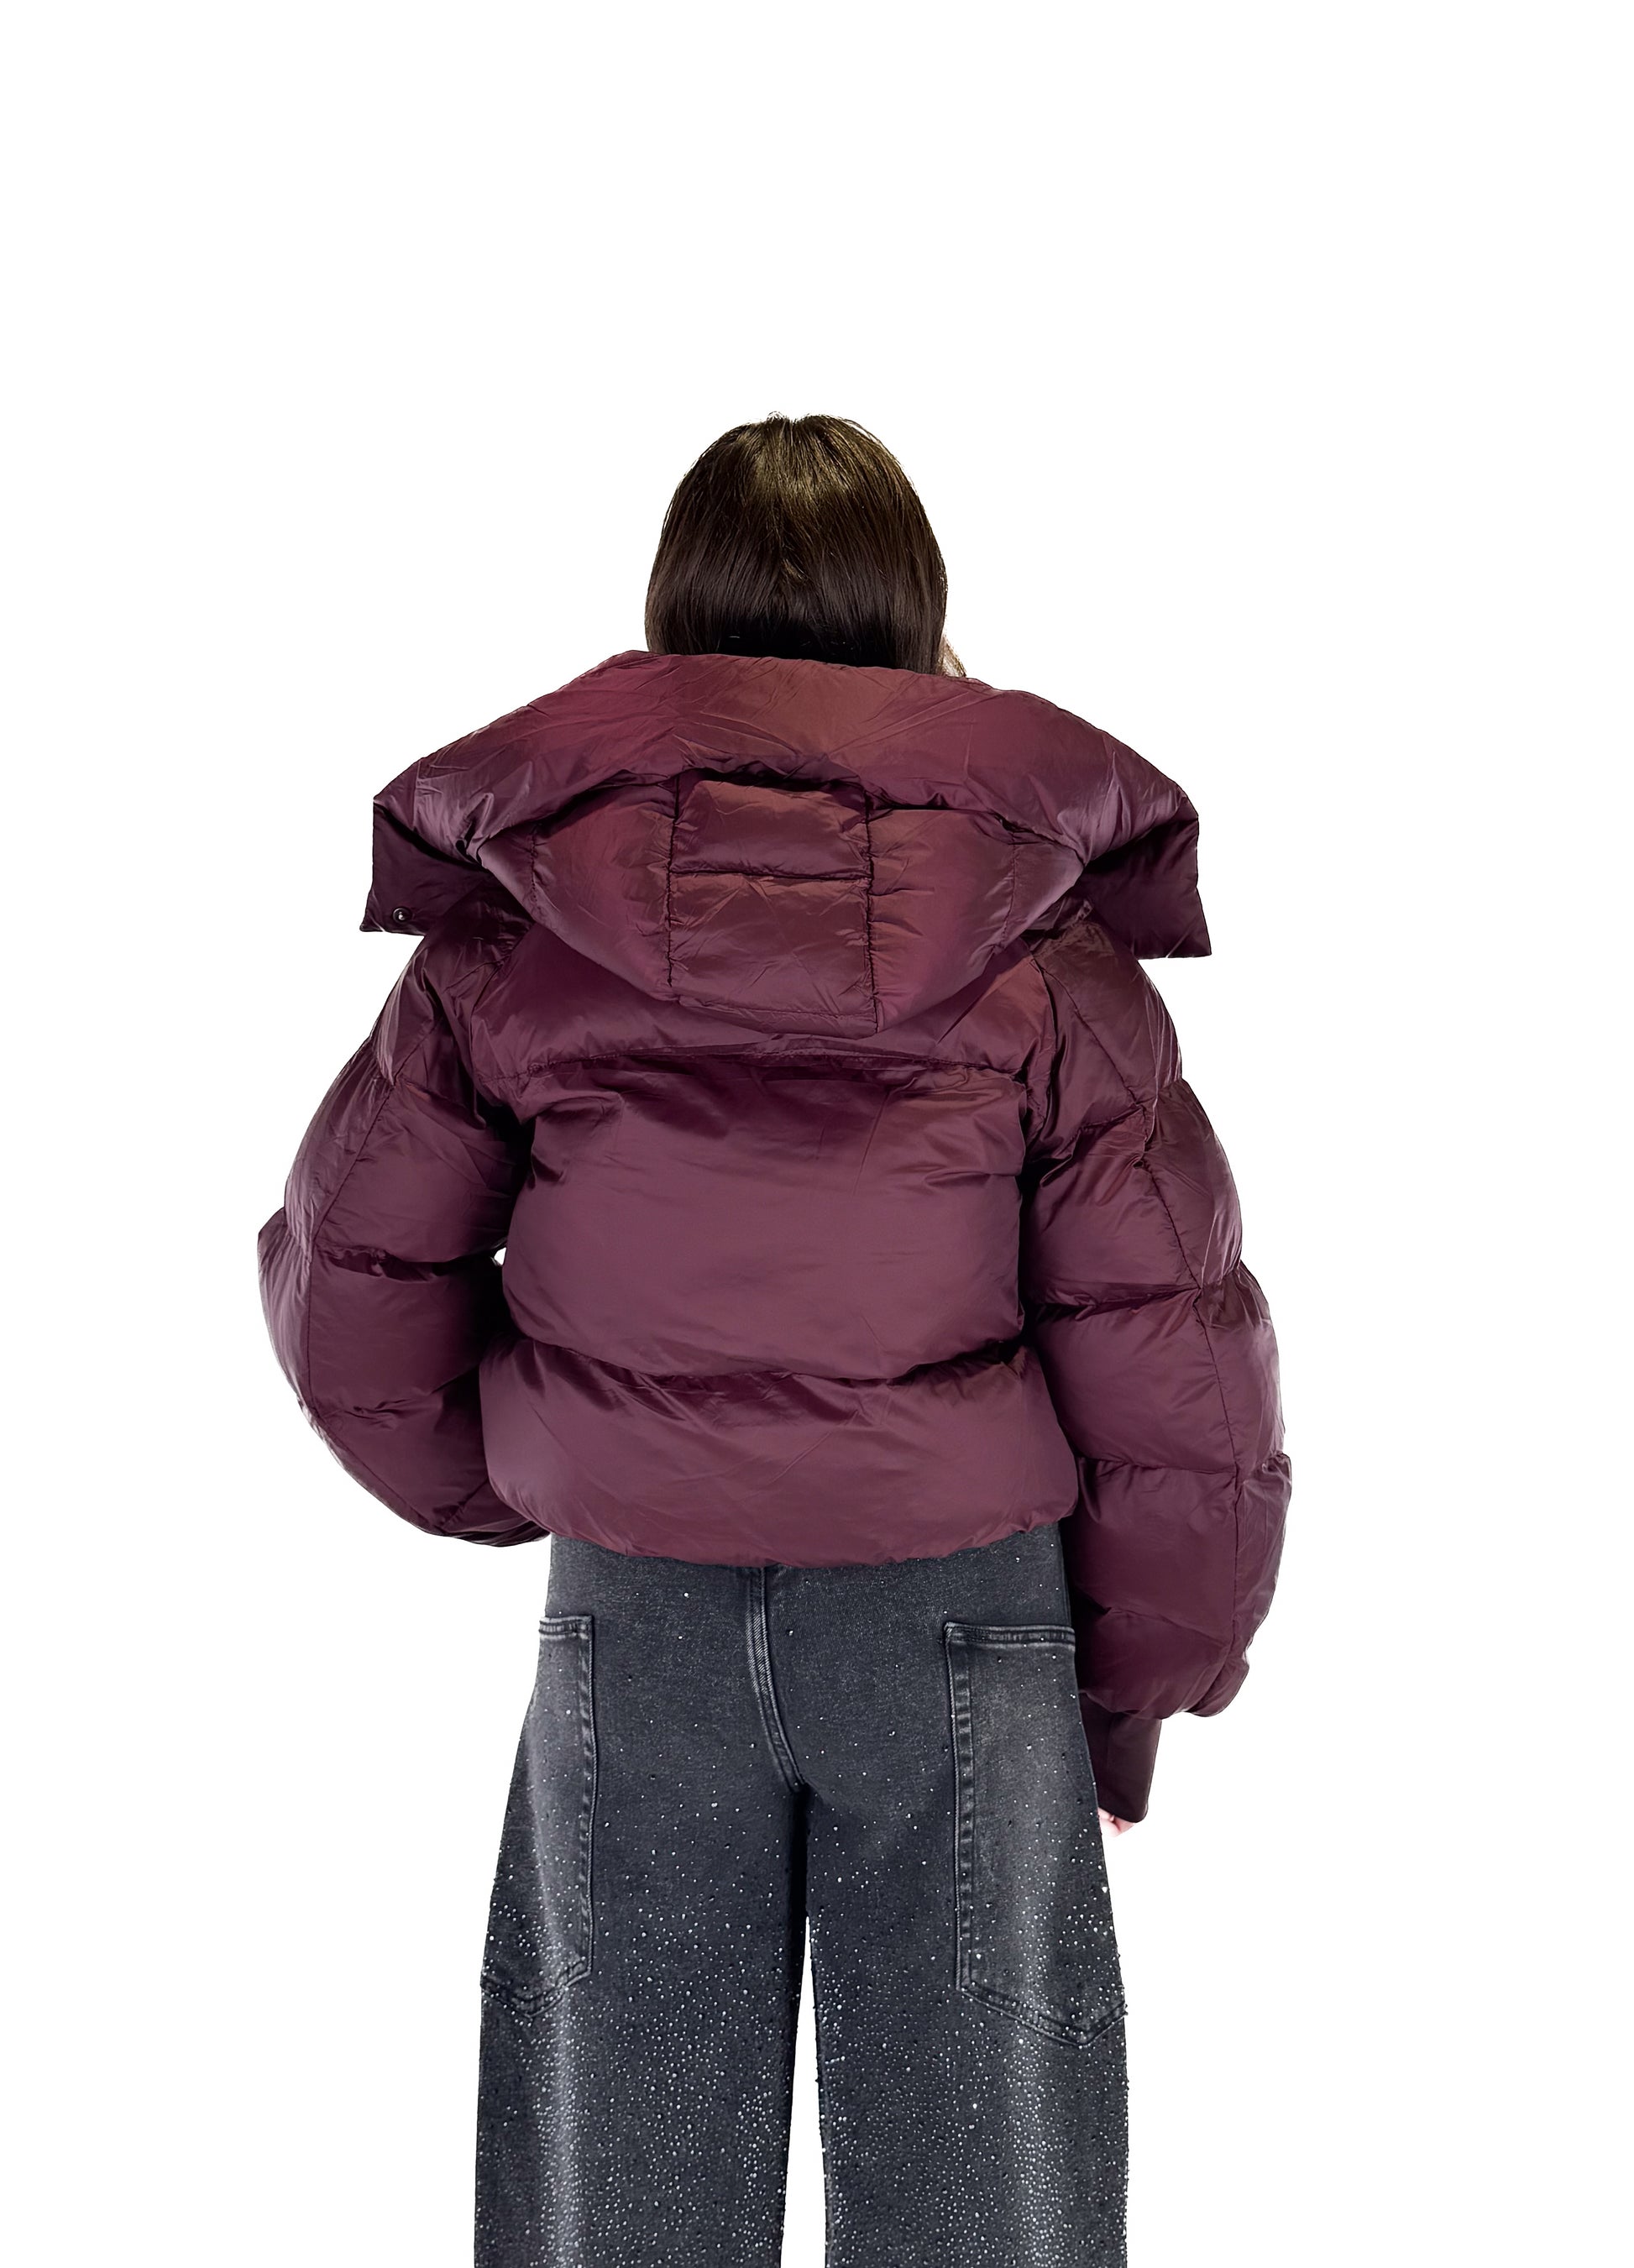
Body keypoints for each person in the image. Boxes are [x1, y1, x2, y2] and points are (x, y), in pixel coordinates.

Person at [259, 414, 1291, 2268]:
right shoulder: (1043, 951)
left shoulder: (513, 933)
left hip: (634, 1604)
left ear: (675, 611)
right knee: (989, 2199)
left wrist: (541, 1468)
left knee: (619, 2187)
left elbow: (352, 1283)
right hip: (959, 1615)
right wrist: (1135, 1693)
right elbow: (1175, 1371)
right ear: (917, 612)